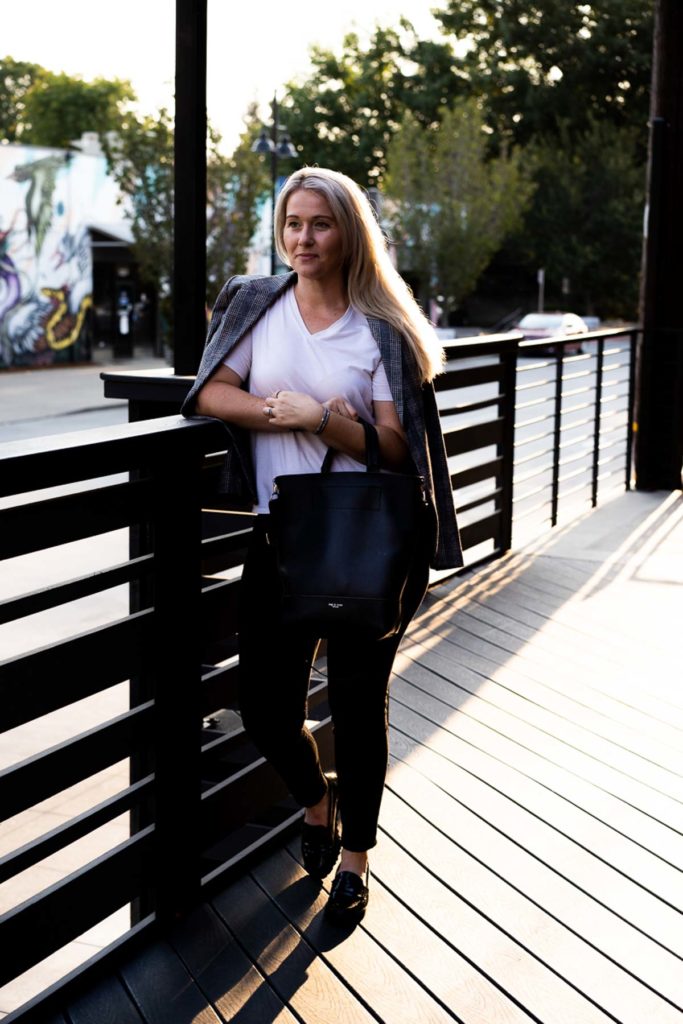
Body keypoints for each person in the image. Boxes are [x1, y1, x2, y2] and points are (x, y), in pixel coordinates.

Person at [182, 167, 462, 925]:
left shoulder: (380, 330)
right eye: (292, 223)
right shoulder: (255, 304)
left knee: (357, 706)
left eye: (320, 224)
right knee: (263, 708)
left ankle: (355, 860)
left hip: (372, 545)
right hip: (281, 537)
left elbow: (397, 447)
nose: (302, 238)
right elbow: (211, 392)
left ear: (349, 234)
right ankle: (315, 800)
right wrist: (290, 413)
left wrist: (326, 422)